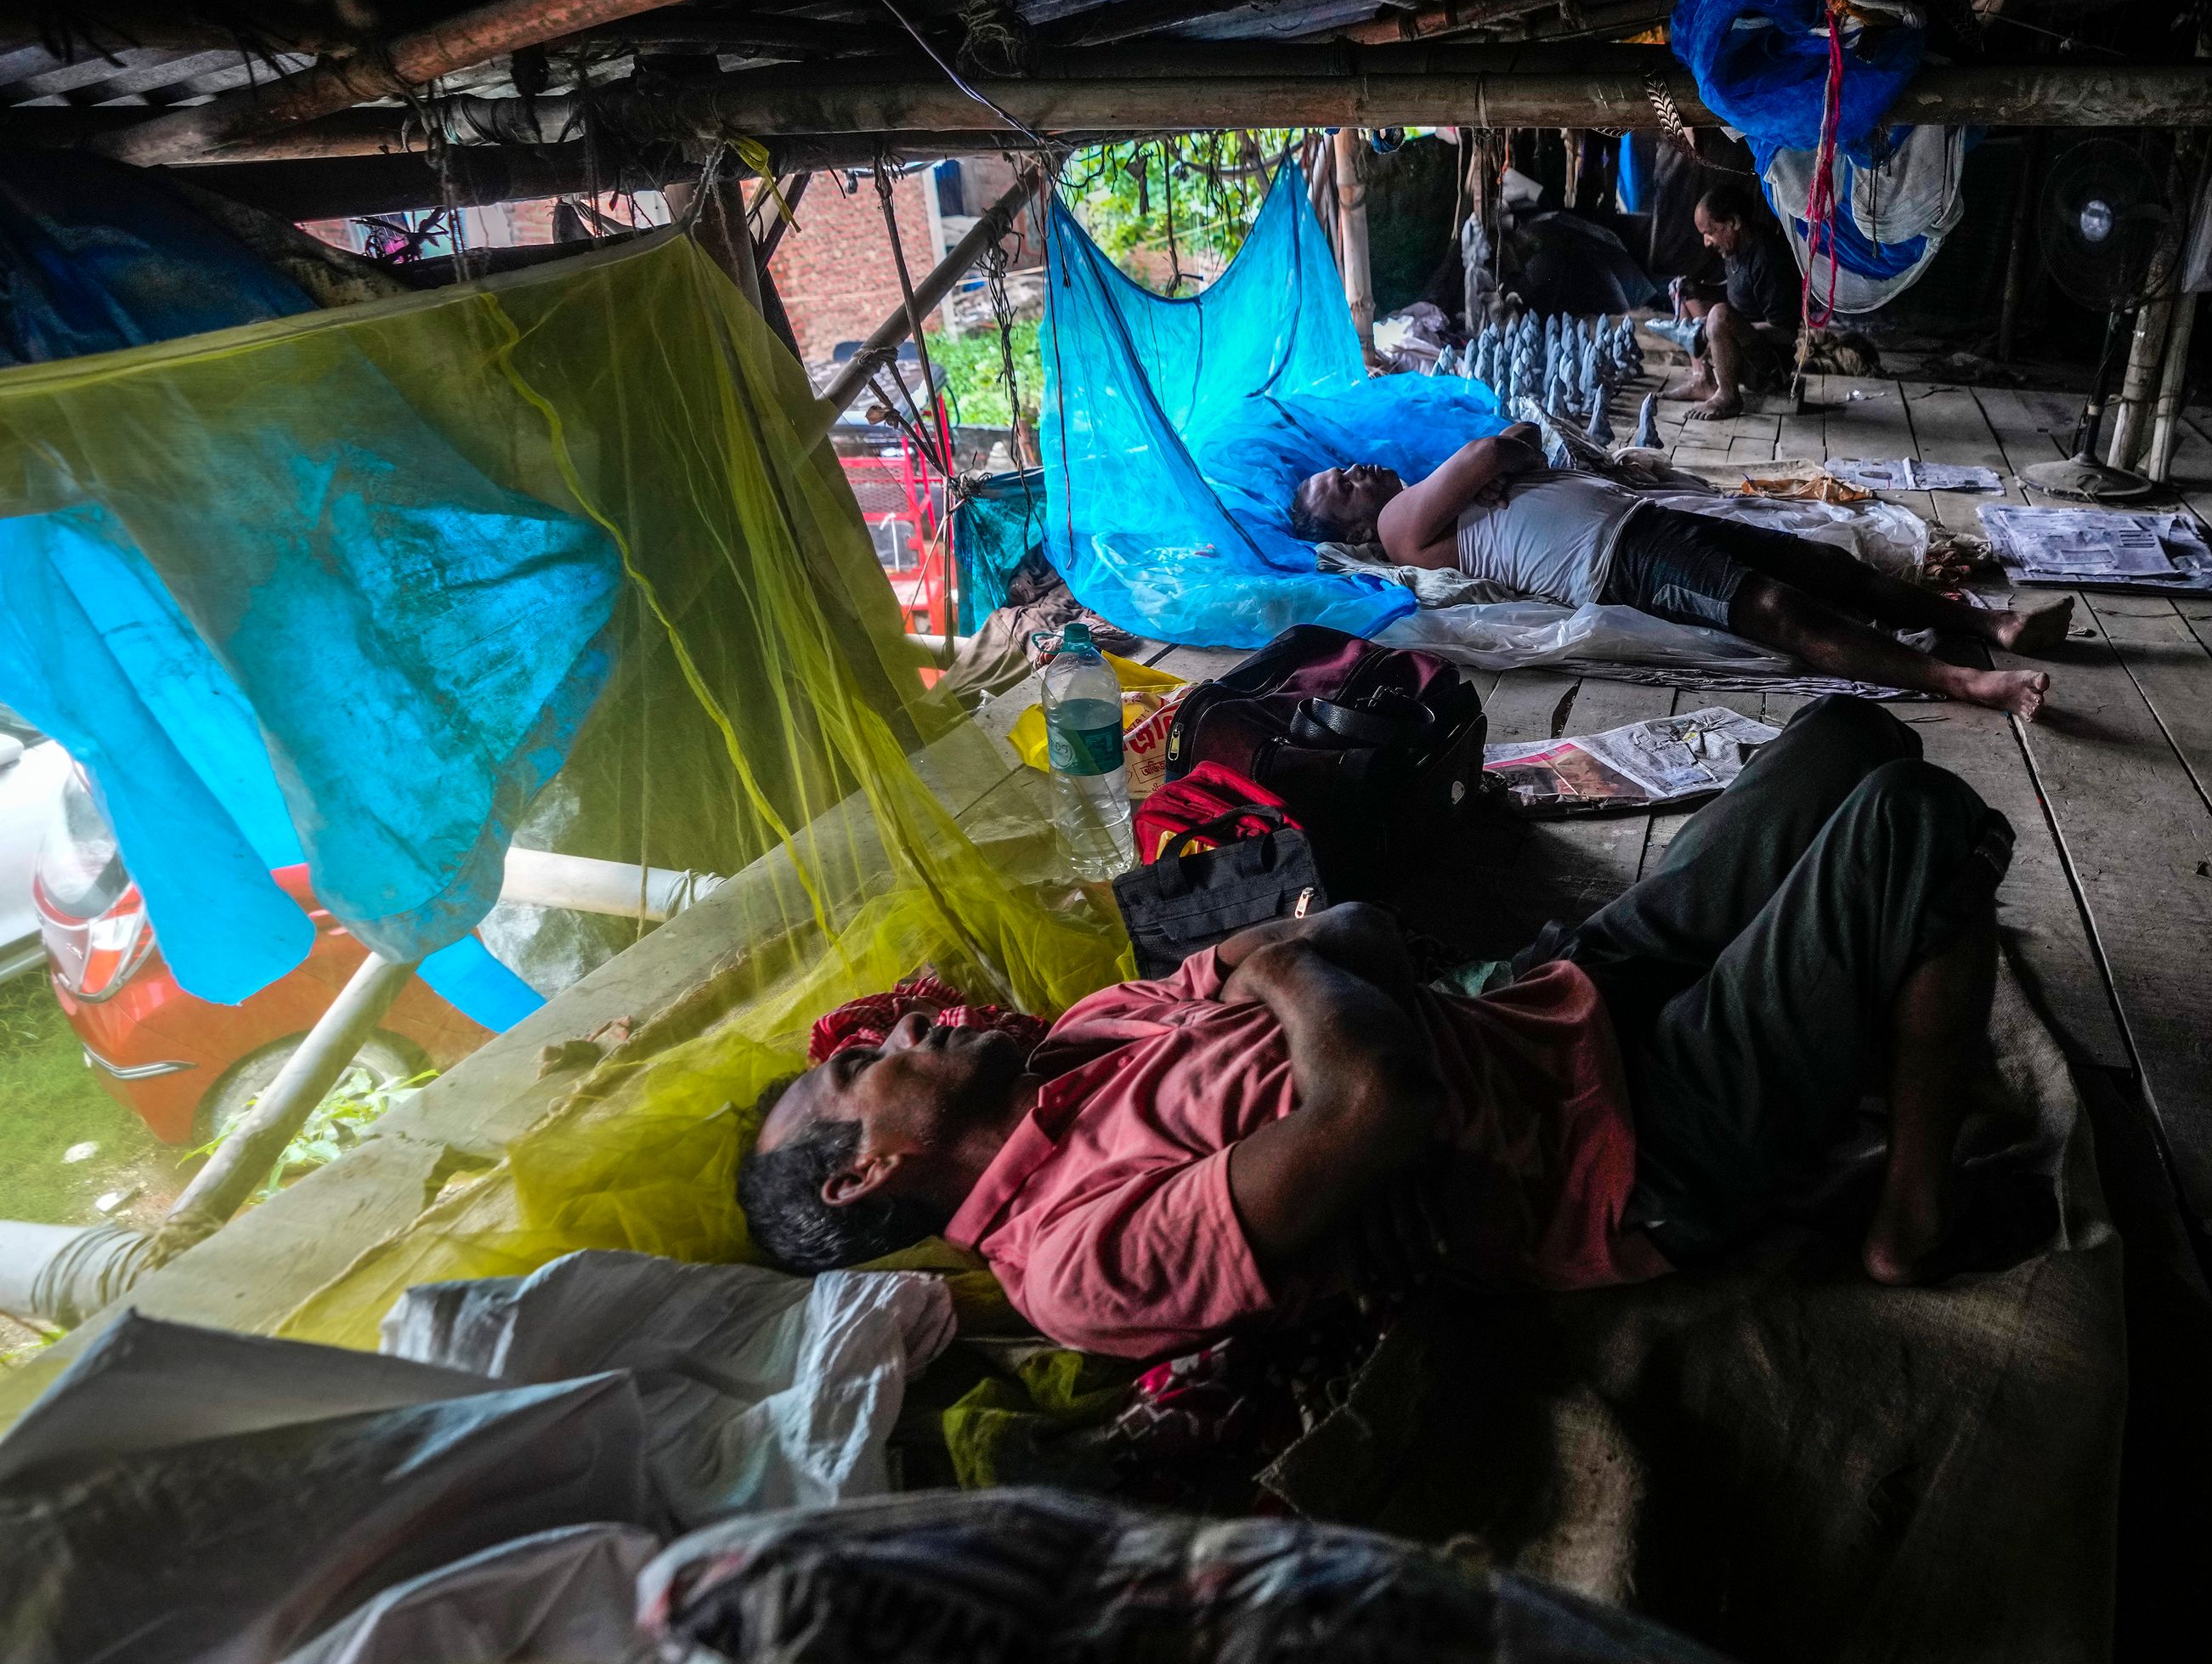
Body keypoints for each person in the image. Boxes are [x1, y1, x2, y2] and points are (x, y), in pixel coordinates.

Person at [740, 699, 2011, 1356]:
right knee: (1912, 816)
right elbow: (1377, 1109)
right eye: (869, 1067)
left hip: (1549, 1000)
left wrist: (1315, 980)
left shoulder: (1080, 1034)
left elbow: (1341, 935)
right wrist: (1302, 975)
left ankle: (1821, 993)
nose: (915, 1030)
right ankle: (1906, 1222)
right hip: (1628, 1146)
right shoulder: (1076, 1257)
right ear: (864, 1175)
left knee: (1849, 737)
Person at [1288, 421, 2067, 715]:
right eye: (1340, 486)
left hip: (1641, 521)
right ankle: (1966, 681)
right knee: (1774, 607)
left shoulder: (1427, 488)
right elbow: (1500, 448)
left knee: (1824, 565)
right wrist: (1496, 462)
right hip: (1615, 556)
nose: (1355, 469)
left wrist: (1503, 458)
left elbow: (1525, 433)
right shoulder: (1398, 526)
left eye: (1346, 467)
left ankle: (1993, 623)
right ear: (1352, 530)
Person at [1667, 180, 1789, 422]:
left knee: (1719, 315)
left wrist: (1717, 330)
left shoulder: (1766, 258)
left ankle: (1728, 397)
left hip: (1769, 369)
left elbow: (1785, 331)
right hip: (1739, 347)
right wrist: (1697, 289)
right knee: (1687, 291)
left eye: (1710, 232)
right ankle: (1704, 380)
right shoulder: (1734, 250)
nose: (1707, 242)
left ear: (1733, 222)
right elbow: (1739, 295)